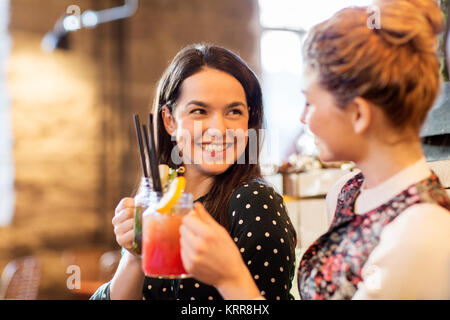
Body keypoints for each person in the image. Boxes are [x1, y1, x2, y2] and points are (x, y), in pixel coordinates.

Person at [179, 0, 450, 300]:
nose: (303, 118)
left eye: (311, 102)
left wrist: (230, 278)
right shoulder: (346, 193)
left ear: (358, 114)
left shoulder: (422, 231)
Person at [90, 44, 297, 300]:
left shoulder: (254, 202)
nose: (218, 129)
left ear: (248, 121)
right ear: (169, 120)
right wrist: (134, 256)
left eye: (234, 111)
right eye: (199, 111)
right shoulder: (159, 198)